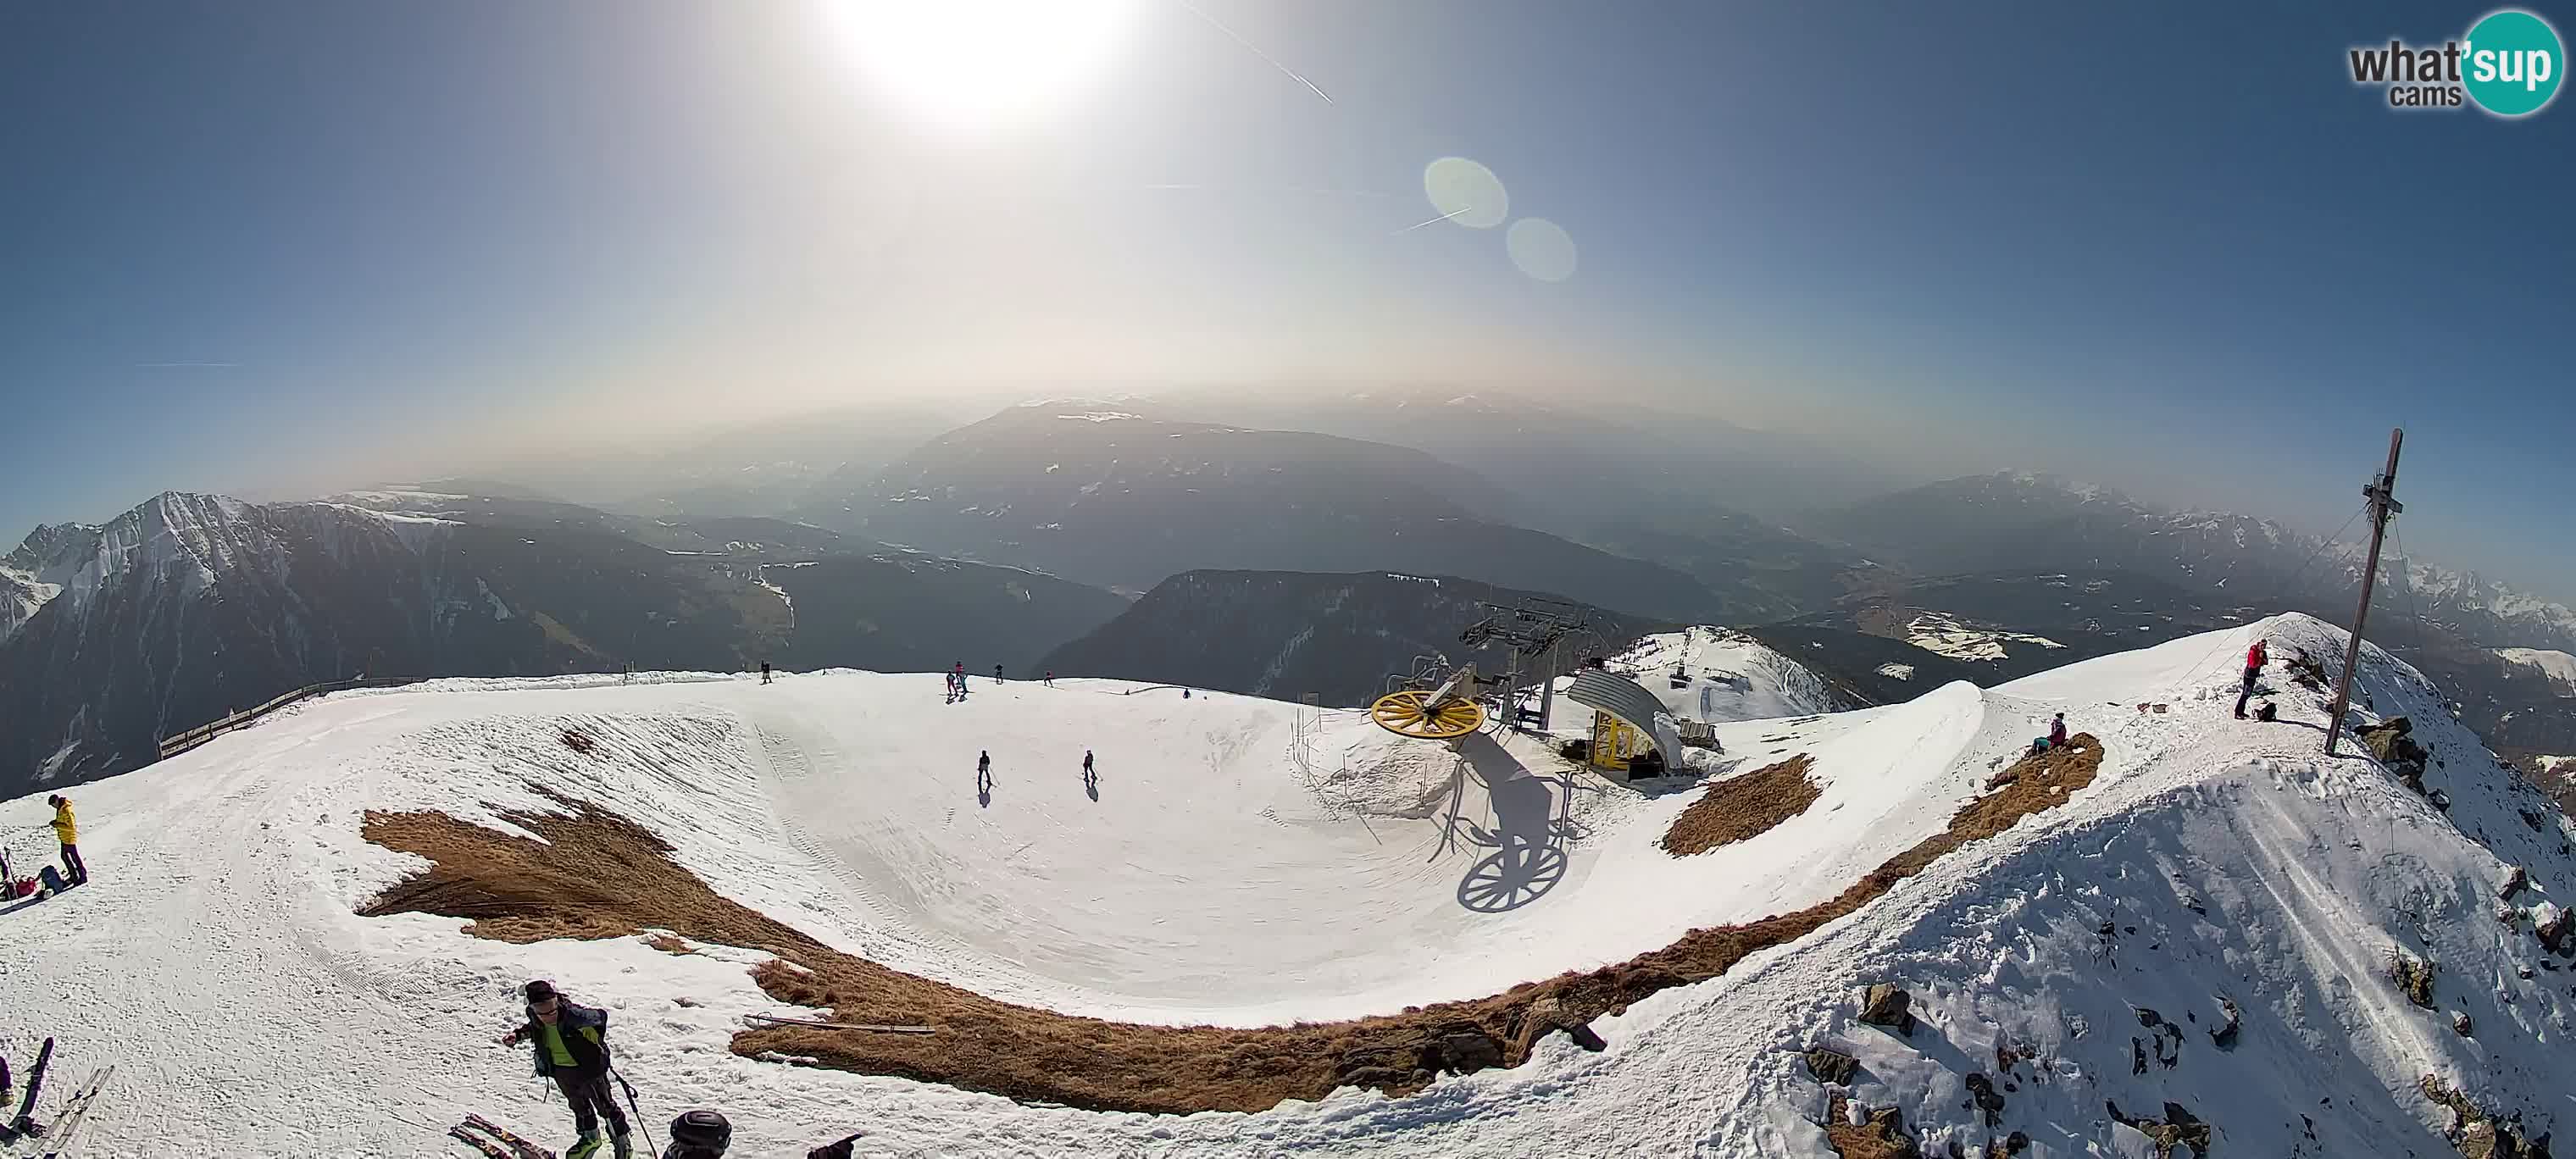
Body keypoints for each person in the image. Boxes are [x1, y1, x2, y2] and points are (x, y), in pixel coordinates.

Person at [500, 980, 633, 1158]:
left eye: (552, 1010)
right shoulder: (535, 1015)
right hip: (561, 1070)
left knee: (605, 1106)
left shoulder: (572, 1015)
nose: (549, 1016)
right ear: (533, 1008)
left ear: (556, 1001)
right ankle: (590, 1139)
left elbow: (600, 1017)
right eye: (543, 1012)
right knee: (579, 1106)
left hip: (588, 1070)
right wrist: (518, 1035)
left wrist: (594, 1034)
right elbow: (534, 1028)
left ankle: (622, 1143)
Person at [47, 795, 85, 886]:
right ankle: (75, 876)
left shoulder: (66, 810)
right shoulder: (60, 809)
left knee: (74, 858)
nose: (53, 807)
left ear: (57, 801)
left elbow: (71, 827)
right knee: (66, 857)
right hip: (64, 839)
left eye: (53, 804)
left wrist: (57, 825)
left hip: (69, 839)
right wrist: (56, 822)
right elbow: (63, 821)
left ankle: (82, 877)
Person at [2235, 638, 2268, 719]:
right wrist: (2260, 659)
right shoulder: (2253, 651)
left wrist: (2262, 658)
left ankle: (2241, 711)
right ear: (2259, 644)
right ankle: (2238, 712)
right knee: (2245, 694)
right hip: (2249, 675)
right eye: (2262, 645)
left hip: (2254, 675)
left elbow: (2266, 662)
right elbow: (2253, 664)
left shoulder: (2263, 652)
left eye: (2265, 645)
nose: (2263, 647)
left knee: (2248, 694)